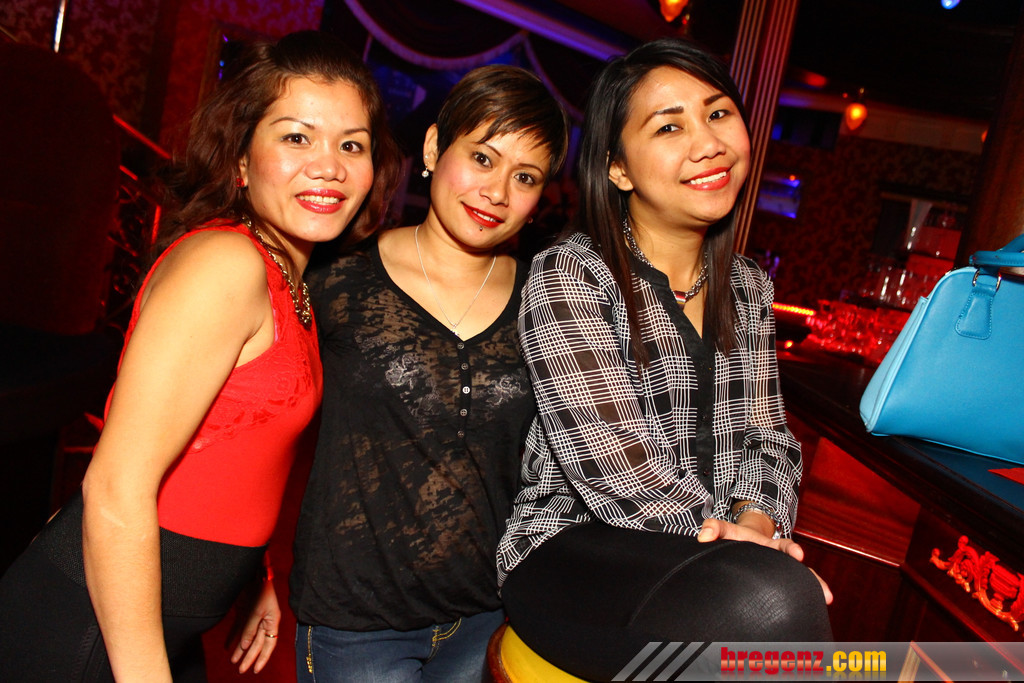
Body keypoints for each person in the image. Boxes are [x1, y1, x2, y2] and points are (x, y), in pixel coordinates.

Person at [0, 30, 400, 682]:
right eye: (297, 137)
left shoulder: (289, 276)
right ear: (241, 159)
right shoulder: (226, 263)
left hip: (160, 624)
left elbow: (232, 449)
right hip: (89, 632)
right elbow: (115, 487)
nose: (329, 165)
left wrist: (253, 575)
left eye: (351, 144)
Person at [496, 37, 834, 682]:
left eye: (718, 113)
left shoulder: (747, 286)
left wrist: (758, 522)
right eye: (669, 127)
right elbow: (616, 470)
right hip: (575, 556)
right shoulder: (572, 274)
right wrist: (741, 550)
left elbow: (771, 442)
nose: (708, 143)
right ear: (618, 169)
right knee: (773, 606)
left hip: (724, 561)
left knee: (770, 609)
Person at [289, 65, 568, 683]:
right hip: (355, 628)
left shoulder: (549, 303)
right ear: (436, 147)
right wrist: (249, 566)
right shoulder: (336, 276)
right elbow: (257, 425)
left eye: (525, 177)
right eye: (482, 158)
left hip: (488, 620)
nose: (497, 192)